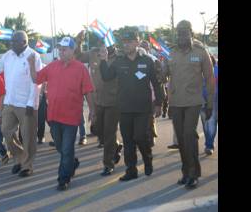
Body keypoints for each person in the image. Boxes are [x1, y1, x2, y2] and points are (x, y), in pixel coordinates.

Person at [28, 36, 94, 191]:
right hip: (54, 116)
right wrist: (31, 64)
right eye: (60, 49)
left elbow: (88, 91)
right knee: (60, 147)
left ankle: (63, 179)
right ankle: (71, 162)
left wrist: (92, 110)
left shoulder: (80, 68)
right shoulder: (52, 66)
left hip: (71, 117)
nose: (61, 52)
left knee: (66, 148)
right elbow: (36, 79)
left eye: (65, 49)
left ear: (73, 50)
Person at [100, 30, 164, 181]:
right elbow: (107, 77)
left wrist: (159, 104)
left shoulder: (147, 60)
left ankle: (147, 159)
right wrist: (103, 60)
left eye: (129, 41)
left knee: (140, 137)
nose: (126, 44)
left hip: (143, 108)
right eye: (124, 42)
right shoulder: (119, 61)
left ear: (137, 42)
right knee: (128, 140)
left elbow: (157, 83)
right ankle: (131, 170)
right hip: (124, 107)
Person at [164, 20, 215, 189]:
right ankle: (186, 171)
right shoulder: (171, 53)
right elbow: (167, 78)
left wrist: (209, 104)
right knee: (181, 138)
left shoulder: (201, 52)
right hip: (177, 102)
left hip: (194, 102)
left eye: (185, 32)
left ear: (191, 34)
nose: (181, 36)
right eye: (179, 33)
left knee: (188, 135)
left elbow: (209, 79)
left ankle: (193, 173)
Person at [0, 31, 42, 177]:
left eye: (14, 41)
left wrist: (31, 103)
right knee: (6, 131)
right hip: (10, 101)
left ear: (24, 42)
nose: (11, 44)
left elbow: (36, 82)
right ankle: (18, 157)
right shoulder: (8, 55)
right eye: (11, 41)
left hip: (26, 104)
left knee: (28, 136)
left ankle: (27, 166)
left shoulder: (33, 56)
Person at [74, 31, 123, 176]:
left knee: (109, 132)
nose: (103, 48)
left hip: (113, 101)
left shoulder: (119, 58)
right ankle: (116, 145)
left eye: (106, 45)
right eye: (100, 44)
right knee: (97, 130)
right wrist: (78, 42)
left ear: (112, 44)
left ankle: (108, 164)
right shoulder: (93, 53)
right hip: (97, 100)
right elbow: (77, 56)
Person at [200, 55, 218, 155]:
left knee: (211, 123)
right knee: (205, 124)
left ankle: (209, 145)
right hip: (201, 101)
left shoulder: (217, 70)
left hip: (214, 101)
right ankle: (209, 142)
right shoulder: (198, 71)